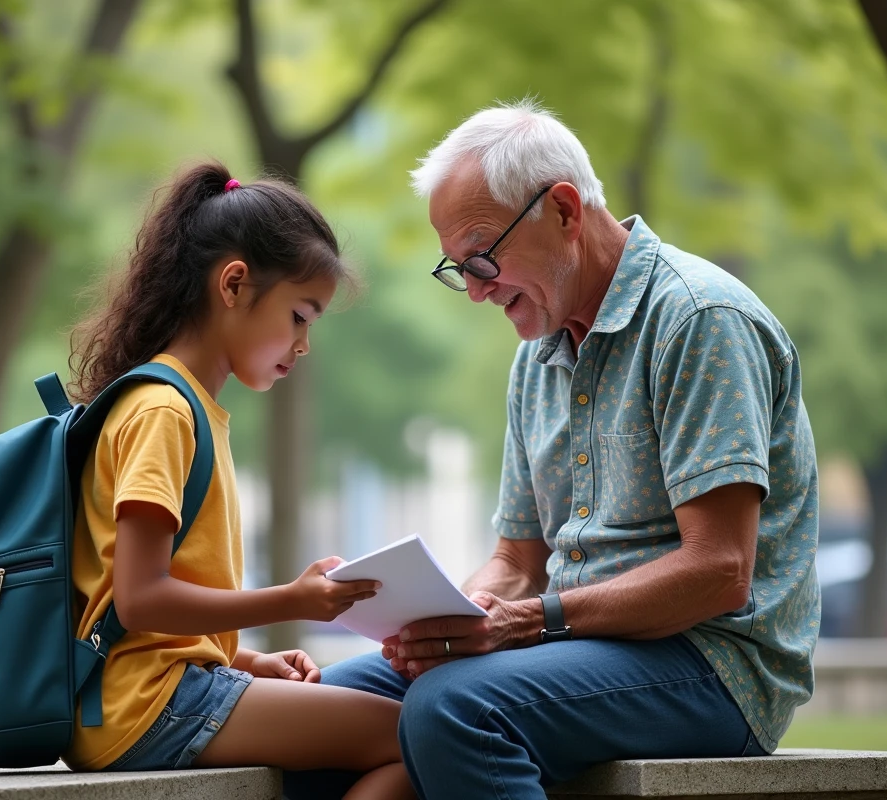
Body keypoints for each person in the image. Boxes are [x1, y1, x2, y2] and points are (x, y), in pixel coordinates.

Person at [286, 100, 820, 800]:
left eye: (481, 257)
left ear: (564, 211)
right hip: (575, 648)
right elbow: (517, 560)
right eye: (457, 270)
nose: (476, 292)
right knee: (311, 717)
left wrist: (529, 622)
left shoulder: (699, 319)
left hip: (715, 664)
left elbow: (720, 570)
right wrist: (459, 618)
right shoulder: (537, 357)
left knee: (453, 708)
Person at [62, 161, 415, 799]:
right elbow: (139, 599)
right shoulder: (165, 411)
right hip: (143, 706)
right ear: (233, 284)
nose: (304, 344)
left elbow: (152, 619)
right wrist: (293, 601)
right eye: (300, 315)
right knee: (425, 737)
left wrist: (248, 661)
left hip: (156, 692)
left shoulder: (190, 407)